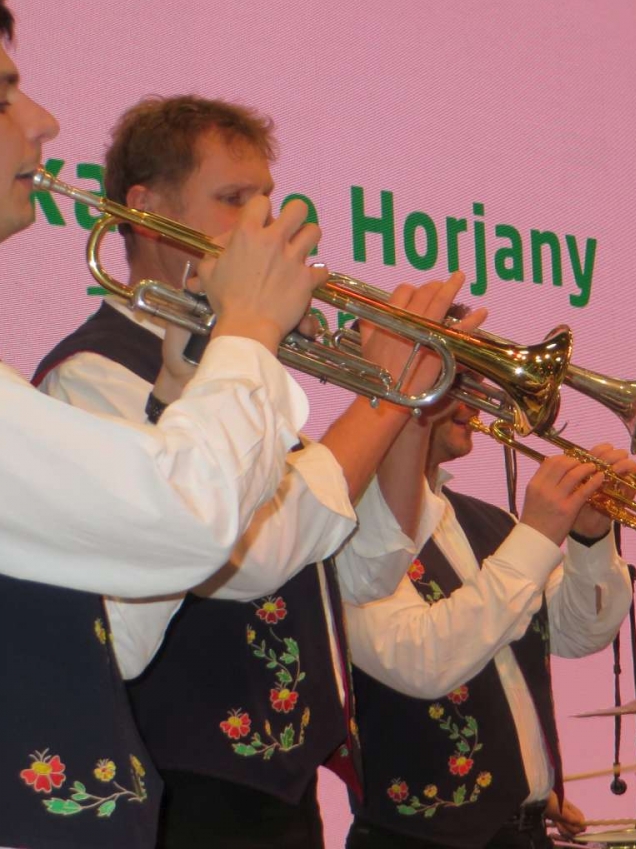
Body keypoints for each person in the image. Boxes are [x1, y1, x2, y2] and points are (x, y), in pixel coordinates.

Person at [35, 95, 485, 848]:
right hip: (178, 793)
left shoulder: (244, 384)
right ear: (147, 211)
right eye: (233, 199)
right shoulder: (94, 373)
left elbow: (362, 572)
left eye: (267, 203)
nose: (263, 227)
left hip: (281, 788)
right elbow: (247, 562)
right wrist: (383, 394)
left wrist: (407, 407)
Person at [0, 0, 330, 849]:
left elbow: (116, 628)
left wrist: (191, 389)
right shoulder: (87, 365)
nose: (43, 122)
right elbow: (196, 523)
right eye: (2, 96)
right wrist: (252, 334)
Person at [344, 367, 635, 849]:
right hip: (416, 838)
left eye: (477, 384)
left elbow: (578, 632)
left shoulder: (491, 522)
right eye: (456, 383)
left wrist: (590, 538)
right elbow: (423, 660)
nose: (476, 401)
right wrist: (537, 533)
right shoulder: (346, 524)